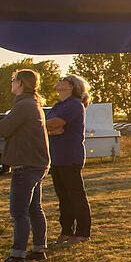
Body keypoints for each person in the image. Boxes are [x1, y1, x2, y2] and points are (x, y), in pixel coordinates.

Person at [0, 69, 50, 262]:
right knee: (34, 208)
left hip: (25, 165)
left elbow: (1, 129)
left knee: (19, 211)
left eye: (13, 80)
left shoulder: (24, 105)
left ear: (21, 83)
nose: (11, 83)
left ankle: (17, 256)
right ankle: (38, 249)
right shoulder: (33, 104)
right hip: (37, 163)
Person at [46, 74, 92, 245]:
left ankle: (82, 232)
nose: (59, 80)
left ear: (71, 86)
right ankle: (66, 231)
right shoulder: (58, 105)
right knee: (63, 196)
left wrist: (51, 126)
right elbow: (50, 126)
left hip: (69, 156)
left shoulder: (74, 104)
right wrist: (51, 127)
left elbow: (53, 124)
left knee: (76, 195)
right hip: (56, 157)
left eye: (64, 79)